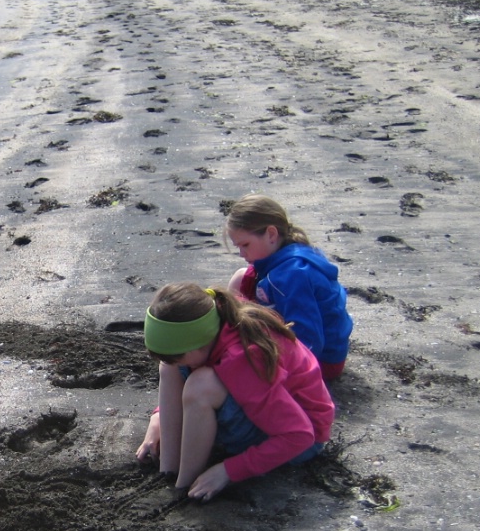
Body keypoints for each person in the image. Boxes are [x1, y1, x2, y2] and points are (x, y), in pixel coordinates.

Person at [136, 283, 335, 502]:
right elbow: (177, 365)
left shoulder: (243, 358)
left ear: (200, 343)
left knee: (200, 387)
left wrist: (228, 471)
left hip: (300, 440)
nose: (174, 361)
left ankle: (184, 487)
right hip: (267, 410)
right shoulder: (216, 319)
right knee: (169, 367)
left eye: (177, 356)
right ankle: (168, 469)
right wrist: (160, 418)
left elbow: (300, 435)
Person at [225, 194, 352, 381]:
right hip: (323, 348)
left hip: (322, 362)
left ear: (271, 234)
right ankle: (231, 333)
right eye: (238, 247)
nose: (242, 253)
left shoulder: (292, 275)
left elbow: (308, 337)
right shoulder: (291, 253)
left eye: (245, 245)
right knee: (242, 277)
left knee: (231, 368)